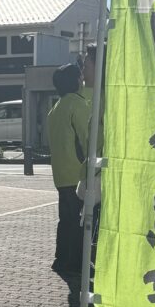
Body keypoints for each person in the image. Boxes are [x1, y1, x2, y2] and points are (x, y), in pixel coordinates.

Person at [47, 63, 91, 275]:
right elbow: (87, 139)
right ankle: (76, 263)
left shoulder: (56, 108)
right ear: (75, 81)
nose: (83, 79)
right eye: (80, 76)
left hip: (61, 174)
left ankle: (61, 259)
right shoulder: (78, 105)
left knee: (66, 220)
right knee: (80, 221)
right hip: (77, 173)